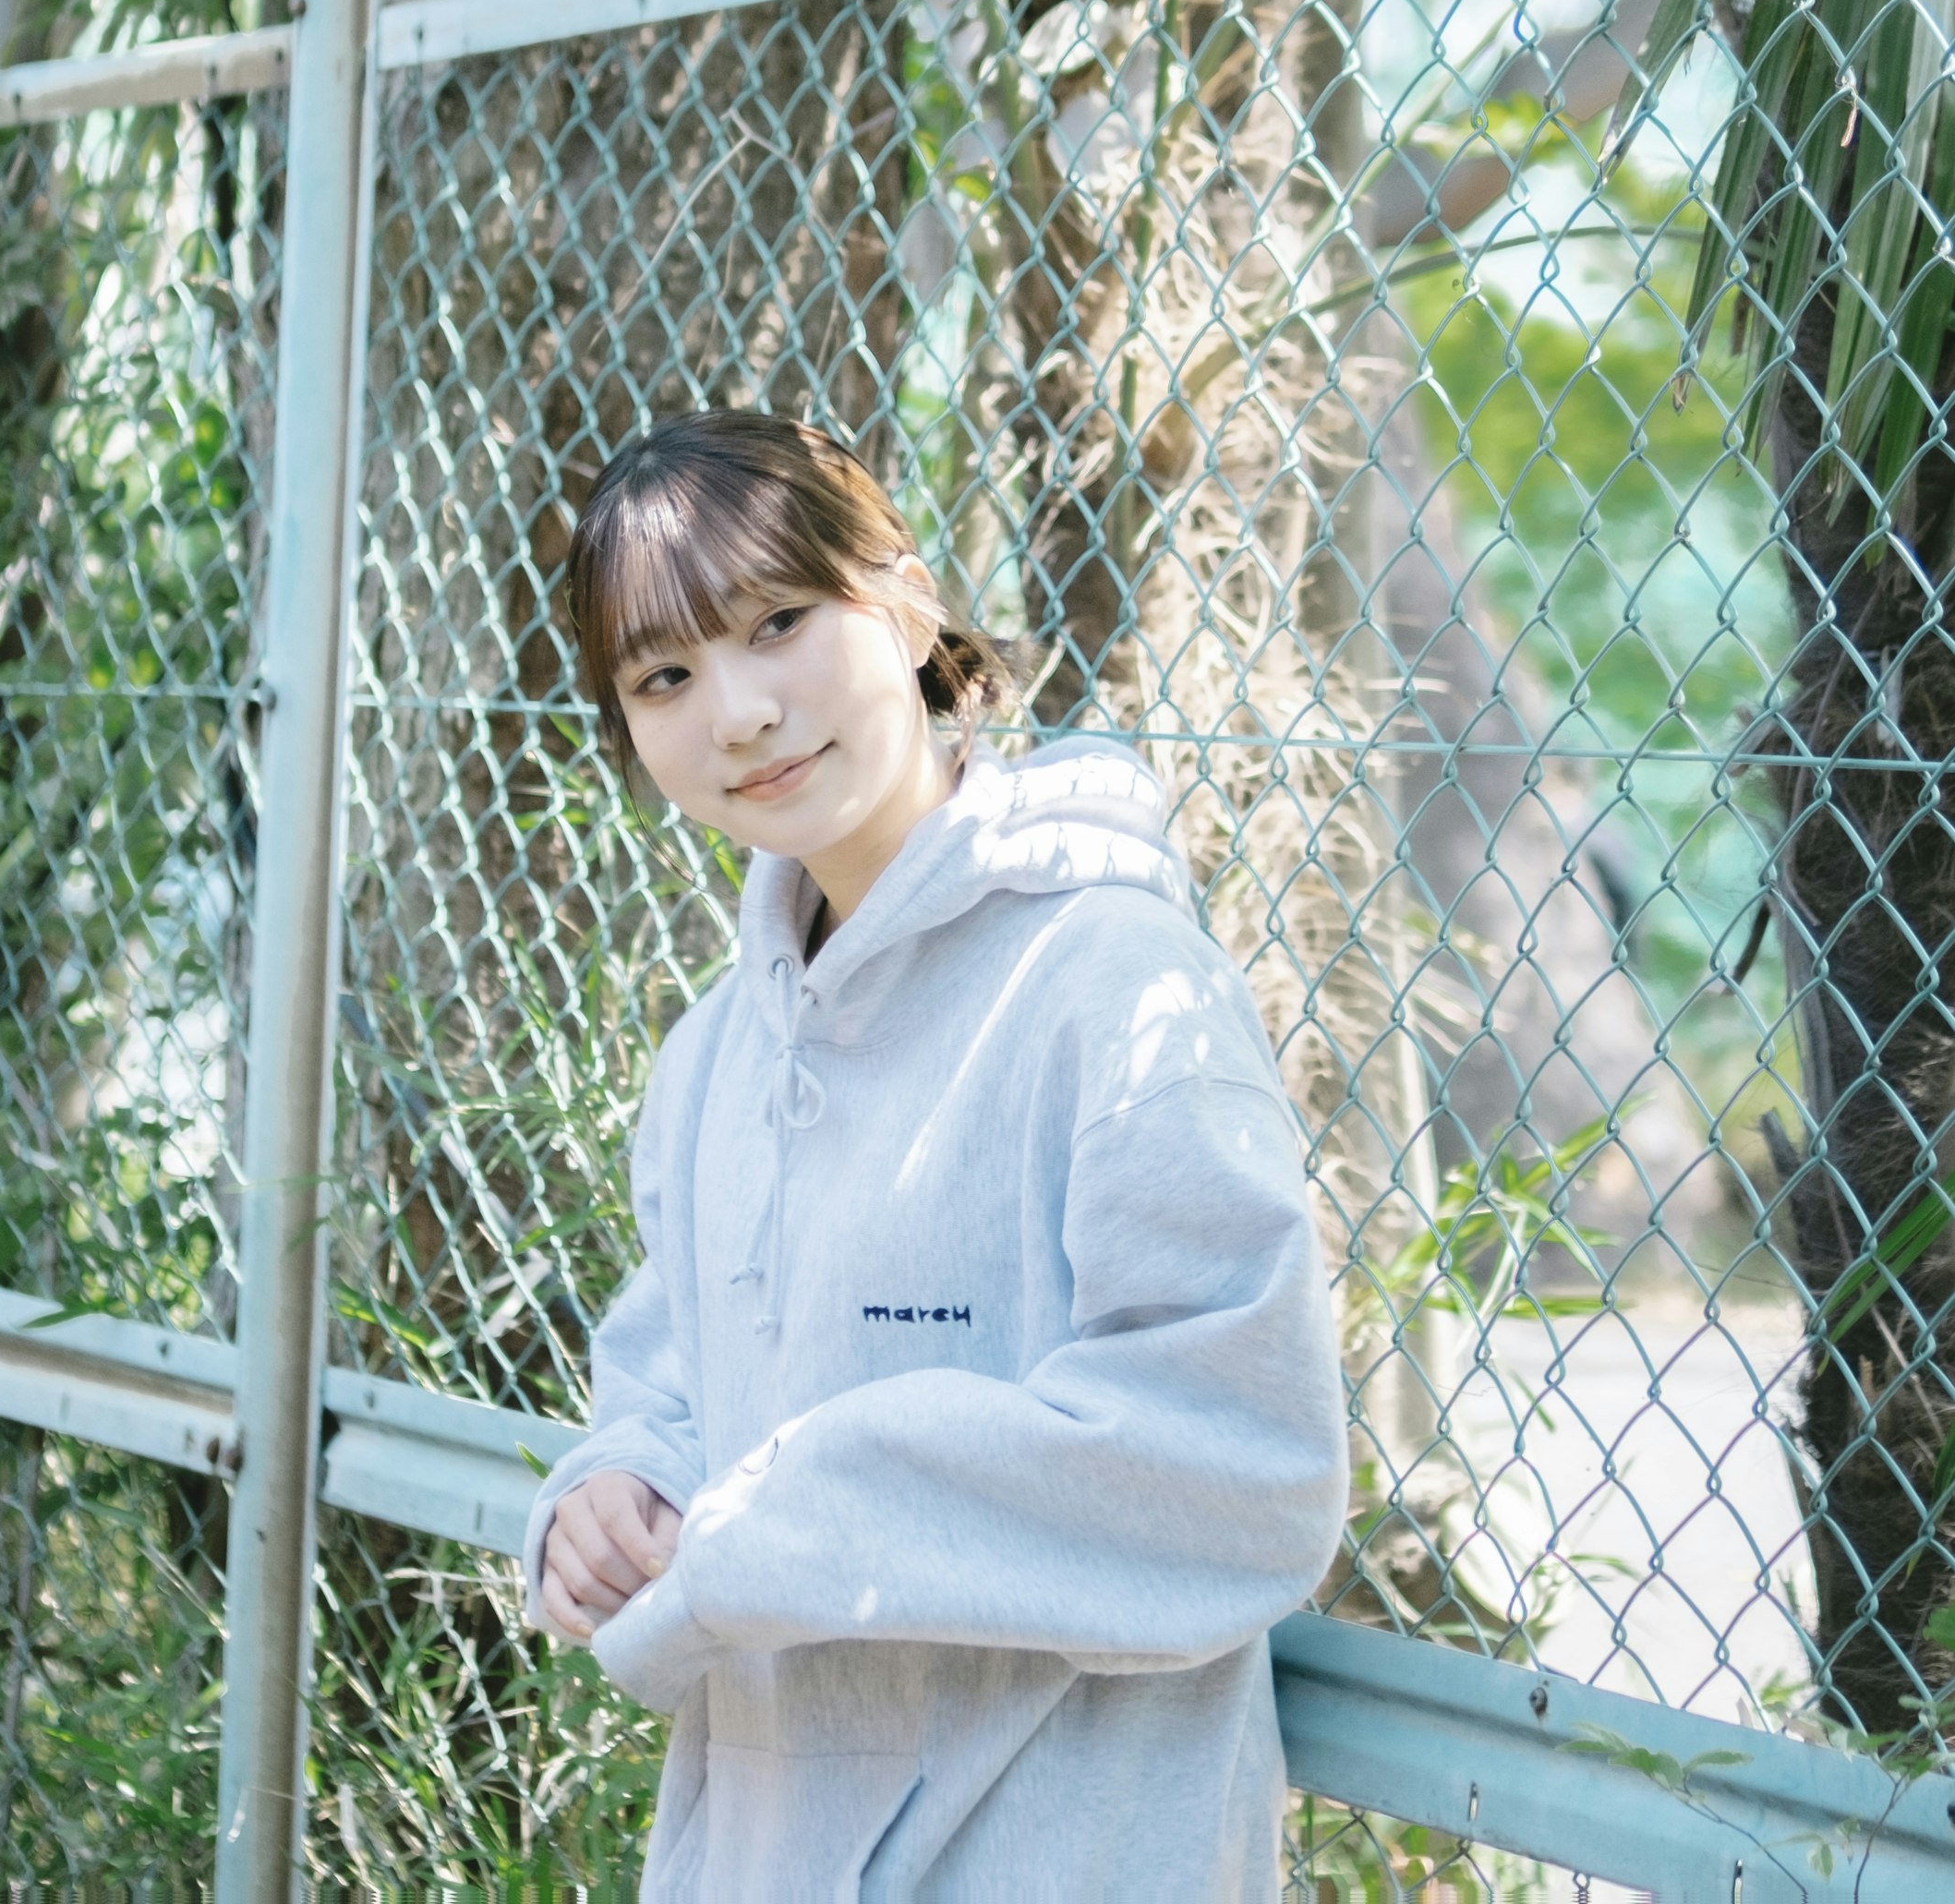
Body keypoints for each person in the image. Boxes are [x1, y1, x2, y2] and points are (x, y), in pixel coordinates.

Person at [521, 408, 1349, 1898]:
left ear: (903, 601)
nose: (742, 713)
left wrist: (794, 1518)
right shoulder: (711, 1054)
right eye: (666, 676)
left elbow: (1255, 1469)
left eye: (780, 623)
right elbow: (675, 1382)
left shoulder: (1111, 982)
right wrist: (619, 1486)